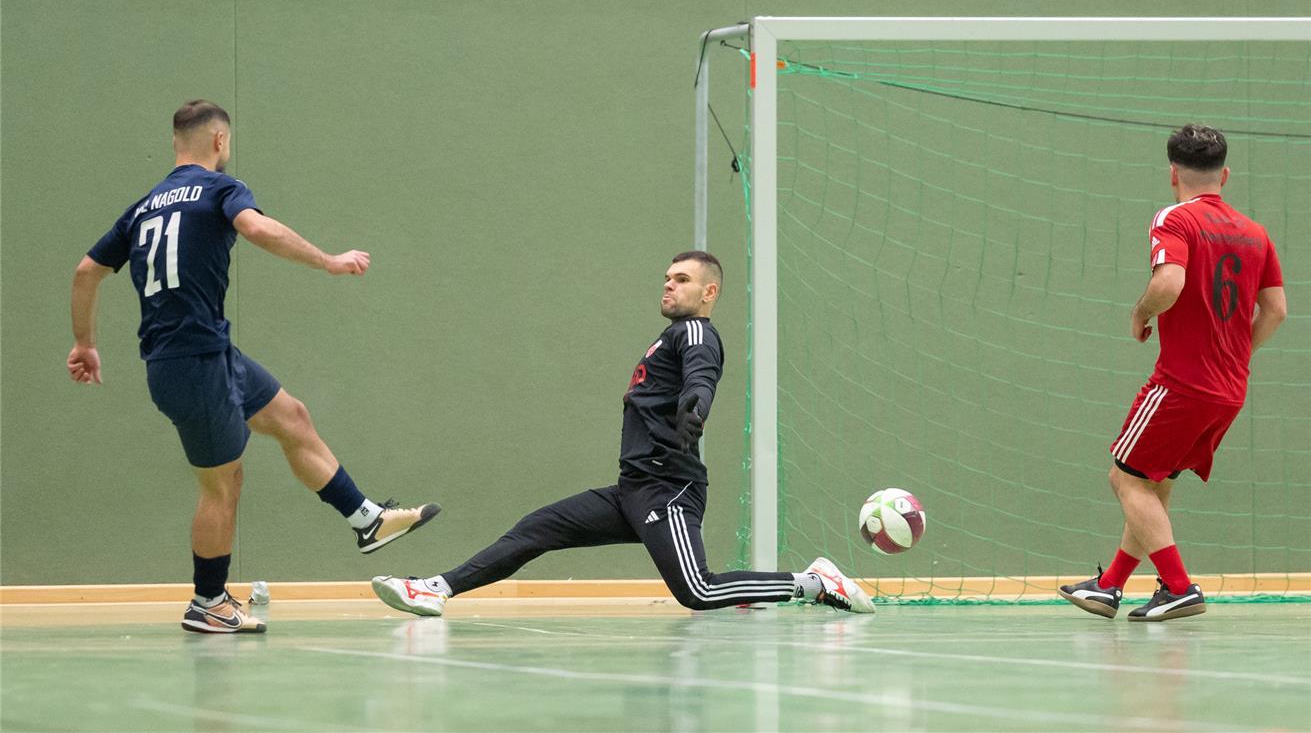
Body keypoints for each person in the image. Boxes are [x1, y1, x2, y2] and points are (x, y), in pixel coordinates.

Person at [68, 100, 440, 634]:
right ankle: (208, 603)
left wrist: (85, 343)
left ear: (177, 143)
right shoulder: (221, 189)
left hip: (208, 356)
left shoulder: (144, 207)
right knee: (223, 483)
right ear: (219, 141)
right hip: (193, 364)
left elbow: (86, 271)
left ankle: (367, 521)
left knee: (291, 417)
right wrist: (330, 261)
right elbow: (259, 230)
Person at [371, 251, 875, 616]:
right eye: (667, 278)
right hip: (632, 488)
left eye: (681, 279)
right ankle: (433, 588)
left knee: (697, 592)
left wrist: (696, 405)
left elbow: (702, 375)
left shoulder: (695, 332)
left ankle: (813, 583)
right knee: (536, 528)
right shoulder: (666, 339)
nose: (669, 286)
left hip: (667, 486)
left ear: (709, 292)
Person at [1060, 125, 1286, 622]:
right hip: (1230, 388)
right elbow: (1276, 310)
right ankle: (1110, 586)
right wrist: (1236, 350)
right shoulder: (1255, 232)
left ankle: (1179, 587)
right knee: (1153, 483)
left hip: (1183, 384)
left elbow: (1170, 280)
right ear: (1224, 175)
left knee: (1125, 479)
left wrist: (1142, 312)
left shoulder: (1175, 218)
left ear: (1172, 175)